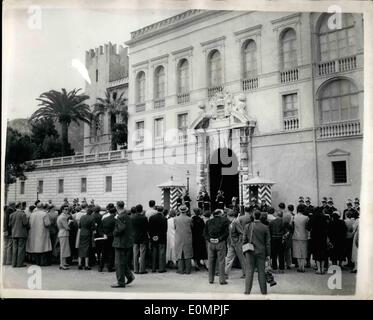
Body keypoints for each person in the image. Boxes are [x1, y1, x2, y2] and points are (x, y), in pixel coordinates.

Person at [243, 210, 271, 295]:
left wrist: (244, 251)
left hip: (250, 251)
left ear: (253, 216)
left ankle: (247, 291)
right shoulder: (265, 227)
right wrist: (268, 254)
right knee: (261, 272)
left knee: (249, 271)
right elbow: (268, 243)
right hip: (261, 251)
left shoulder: (247, 226)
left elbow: (244, 240)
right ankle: (263, 291)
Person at [111, 201, 135, 288]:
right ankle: (129, 276)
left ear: (117, 207)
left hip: (120, 242)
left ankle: (120, 282)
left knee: (118, 263)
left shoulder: (120, 217)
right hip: (126, 242)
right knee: (123, 261)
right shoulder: (127, 216)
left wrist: (114, 232)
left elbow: (121, 228)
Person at [204, 209, 230, 285]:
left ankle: (210, 279)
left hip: (211, 243)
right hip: (220, 243)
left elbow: (205, 233)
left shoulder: (208, 222)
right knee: (221, 261)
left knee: (211, 261)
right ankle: (222, 280)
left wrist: (210, 239)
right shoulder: (225, 221)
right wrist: (219, 239)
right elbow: (226, 233)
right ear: (219, 214)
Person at [26, 202, 52, 266]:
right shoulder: (44, 214)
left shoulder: (32, 214)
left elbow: (29, 224)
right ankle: (42, 262)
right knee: (43, 248)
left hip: (34, 233)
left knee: (36, 248)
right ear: (43, 207)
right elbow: (47, 224)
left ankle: (37, 262)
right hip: (42, 232)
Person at [308, 205, 329, 274]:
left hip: (315, 237)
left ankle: (319, 269)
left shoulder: (312, 217)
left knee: (316, 253)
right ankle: (322, 269)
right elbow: (327, 227)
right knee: (323, 252)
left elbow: (308, 227)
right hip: (323, 236)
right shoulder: (324, 217)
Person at [225, 210, 245, 279]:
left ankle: (245, 273)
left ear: (230, 216)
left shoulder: (236, 222)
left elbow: (241, 233)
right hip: (232, 243)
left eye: (228, 216)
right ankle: (225, 273)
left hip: (236, 243)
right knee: (229, 258)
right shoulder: (233, 222)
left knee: (241, 258)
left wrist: (239, 242)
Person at [174, 205, 193, 274]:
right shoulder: (189, 219)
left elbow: (175, 227)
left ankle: (180, 269)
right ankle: (188, 270)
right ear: (186, 211)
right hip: (187, 237)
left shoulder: (176, 219)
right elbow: (191, 226)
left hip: (179, 237)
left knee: (179, 253)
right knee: (187, 253)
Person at [148, 206, 168, 273]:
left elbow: (150, 229)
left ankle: (153, 268)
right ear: (162, 210)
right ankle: (161, 268)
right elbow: (165, 229)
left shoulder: (152, 218)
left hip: (154, 237)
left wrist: (152, 236)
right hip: (162, 237)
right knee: (161, 252)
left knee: (154, 252)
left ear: (157, 210)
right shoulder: (164, 219)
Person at [9, 202, 29, 267]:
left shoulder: (12, 214)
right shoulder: (23, 214)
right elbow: (25, 223)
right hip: (22, 233)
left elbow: (10, 224)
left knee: (14, 248)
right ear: (20, 206)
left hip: (14, 233)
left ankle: (14, 263)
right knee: (21, 249)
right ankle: (19, 263)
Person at [132, 204, 149, 274]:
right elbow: (147, 228)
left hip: (135, 237)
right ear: (141, 210)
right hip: (143, 237)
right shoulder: (144, 218)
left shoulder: (132, 218)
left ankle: (135, 269)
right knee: (142, 253)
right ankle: (142, 269)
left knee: (135, 253)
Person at [292, 204, 309, 272]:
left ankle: (299, 266)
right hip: (304, 236)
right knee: (304, 251)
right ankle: (303, 266)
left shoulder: (294, 217)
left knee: (297, 251)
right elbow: (308, 227)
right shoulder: (306, 217)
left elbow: (291, 226)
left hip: (296, 235)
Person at [101, 207, 116, 272]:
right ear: (115, 213)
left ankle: (100, 267)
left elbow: (100, 228)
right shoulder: (115, 220)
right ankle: (110, 267)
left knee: (104, 252)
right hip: (112, 237)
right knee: (111, 253)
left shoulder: (104, 219)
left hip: (105, 237)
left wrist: (103, 234)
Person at [57, 205, 72, 270]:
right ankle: (62, 264)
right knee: (63, 249)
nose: (67, 210)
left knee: (64, 248)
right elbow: (67, 227)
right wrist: (69, 222)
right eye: (65, 209)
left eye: (67, 209)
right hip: (64, 233)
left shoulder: (61, 216)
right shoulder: (63, 217)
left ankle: (64, 262)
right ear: (62, 210)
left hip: (62, 233)